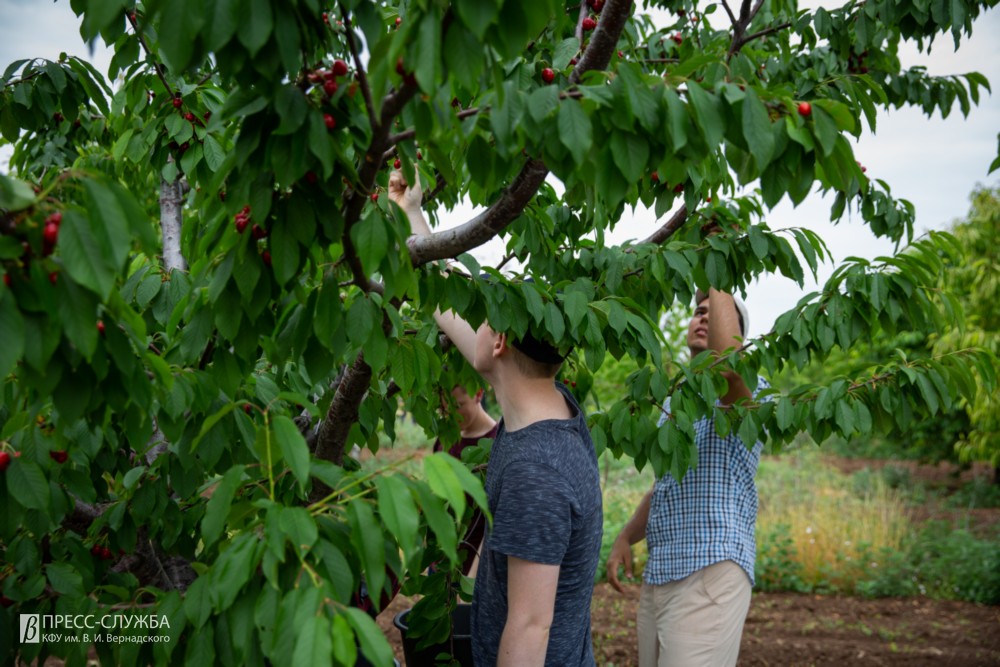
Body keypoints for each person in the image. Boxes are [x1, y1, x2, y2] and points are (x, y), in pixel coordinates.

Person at [390, 170, 603, 667]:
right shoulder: (552, 403)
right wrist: (410, 211)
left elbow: (531, 626)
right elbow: (449, 301)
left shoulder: (537, 472)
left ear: (502, 343)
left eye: (486, 317)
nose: (474, 323)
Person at [606, 288, 770, 667]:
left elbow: (727, 366)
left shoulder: (748, 392)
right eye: (699, 311)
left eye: (718, 314)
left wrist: (717, 276)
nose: (704, 318)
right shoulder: (676, 400)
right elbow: (665, 485)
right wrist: (626, 537)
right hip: (661, 572)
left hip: (711, 568)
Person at [433, 383, 498, 577]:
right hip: (439, 565)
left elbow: (493, 519)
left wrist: (472, 578)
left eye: (459, 405)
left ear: (478, 393)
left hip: (471, 570)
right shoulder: (446, 436)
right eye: (445, 408)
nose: (452, 414)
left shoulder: (496, 445)